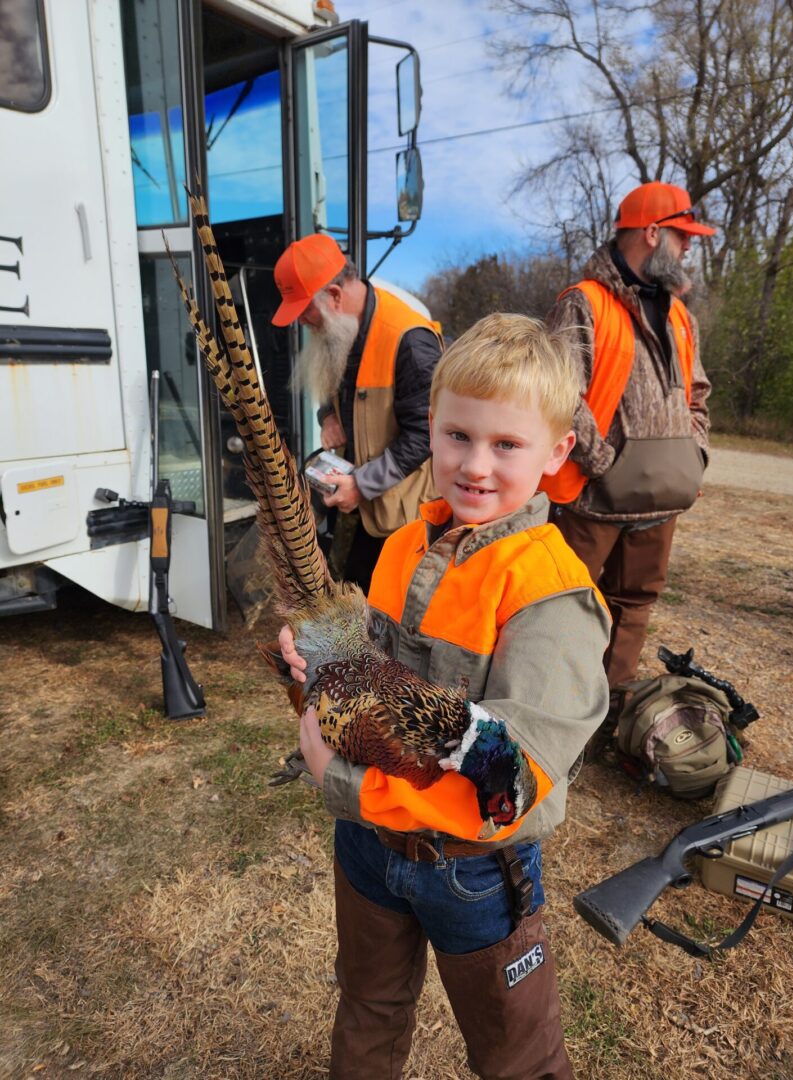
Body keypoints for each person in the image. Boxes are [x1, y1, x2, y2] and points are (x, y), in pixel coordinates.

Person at [279, 313, 611, 1080]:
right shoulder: (403, 544)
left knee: (517, 1057)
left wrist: (346, 782)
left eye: (507, 444)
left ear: (558, 453)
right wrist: (324, 658)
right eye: (458, 435)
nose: (475, 466)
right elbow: (377, 666)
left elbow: (507, 779)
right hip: (369, 852)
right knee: (368, 1006)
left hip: (473, 873)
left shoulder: (551, 596)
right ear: (431, 425)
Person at [543, 181, 712, 741]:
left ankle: (609, 719)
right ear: (653, 232)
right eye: (684, 237)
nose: (689, 248)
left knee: (634, 606)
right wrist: (602, 463)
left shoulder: (681, 316)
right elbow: (559, 392)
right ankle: (553, 713)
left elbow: (698, 393)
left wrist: (696, 454)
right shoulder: (583, 301)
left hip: (662, 500)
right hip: (593, 500)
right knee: (563, 608)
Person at [271, 233, 442, 593]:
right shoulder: (340, 327)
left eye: (304, 310)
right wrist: (327, 416)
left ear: (334, 295)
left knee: (383, 616)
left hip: (401, 519)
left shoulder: (410, 340)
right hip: (354, 508)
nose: (302, 321)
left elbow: (427, 434)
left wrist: (362, 485)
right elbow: (328, 382)